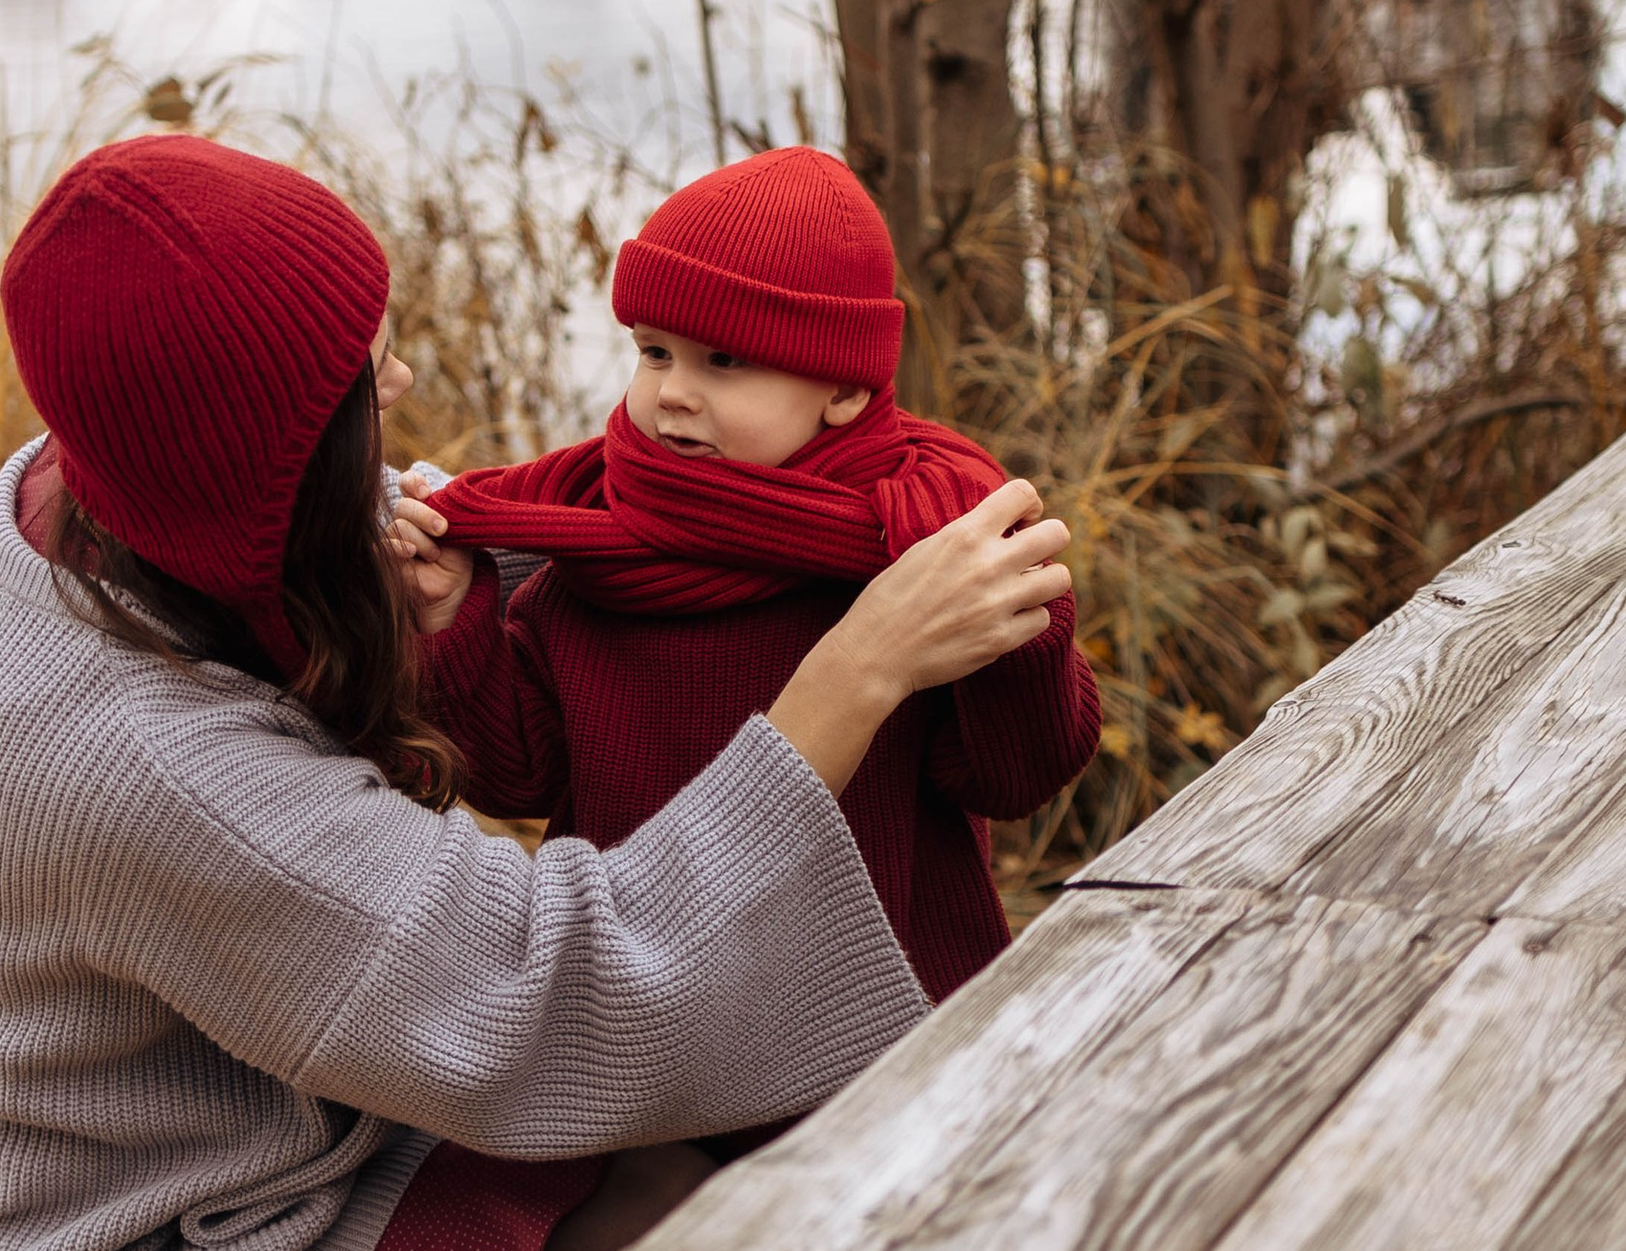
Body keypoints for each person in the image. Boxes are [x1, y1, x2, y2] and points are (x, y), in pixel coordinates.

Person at [0, 130, 1072, 1251]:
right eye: (352, 385)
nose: (390, 392)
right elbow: (552, 1000)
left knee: (688, 1185)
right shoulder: (156, 768)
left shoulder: (70, 502)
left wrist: (489, 576)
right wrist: (850, 677)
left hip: (203, 1163)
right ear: (256, 453)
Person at [397, 149, 1101, 1005]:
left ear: (844, 389)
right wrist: (449, 619)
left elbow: (1014, 778)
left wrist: (1021, 620)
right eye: (654, 353)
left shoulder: (923, 552)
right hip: (648, 994)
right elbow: (517, 776)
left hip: (877, 1008)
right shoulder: (598, 552)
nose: (673, 394)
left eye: (722, 361)